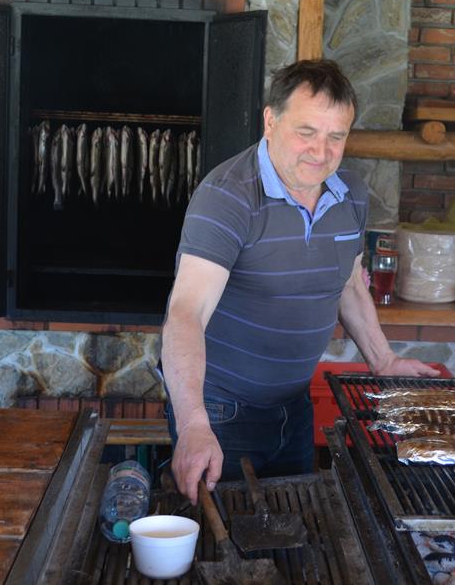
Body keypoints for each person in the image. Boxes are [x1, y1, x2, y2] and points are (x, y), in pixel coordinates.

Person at [161, 59, 439, 504]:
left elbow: (349, 285)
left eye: (336, 137)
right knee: (226, 533)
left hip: (295, 406)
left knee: (295, 524)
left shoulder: (351, 193)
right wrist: (194, 423)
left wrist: (383, 360)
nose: (321, 152)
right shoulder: (228, 196)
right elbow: (185, 313)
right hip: (220, 411)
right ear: (270, 121)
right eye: (306, 132)